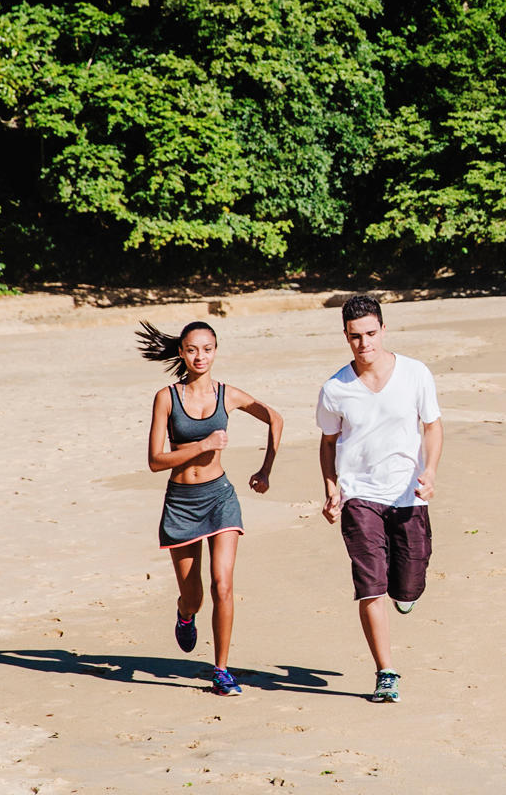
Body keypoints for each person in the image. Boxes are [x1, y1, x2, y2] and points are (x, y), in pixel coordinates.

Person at [138, 319, 283, 697]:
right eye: (191, 349)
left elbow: (275, 418)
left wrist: (265, 469)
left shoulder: (228, 395)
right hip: (182, 504)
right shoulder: (166, 397)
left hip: (220, 498)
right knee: (194, 595)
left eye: (206, 349)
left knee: (224, 584)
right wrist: (203, 445)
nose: (199, 356)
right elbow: (156, 460)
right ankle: (185, 615)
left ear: (215, 352)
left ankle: (221, 669)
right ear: (181, 353)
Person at [315, 294, 444, 703]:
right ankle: (385, 671)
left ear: (384, 330)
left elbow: (433, 427)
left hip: (408, 493)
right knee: (369, 584)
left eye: (371, 334)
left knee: (407, 586)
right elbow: (327, 441)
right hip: (360, 496)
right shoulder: (335, 388)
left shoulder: (415, 373)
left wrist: (431, 471)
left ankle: (405, 595)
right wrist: (332, 487)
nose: (364, 343)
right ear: (346, 337)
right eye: (355, 337)